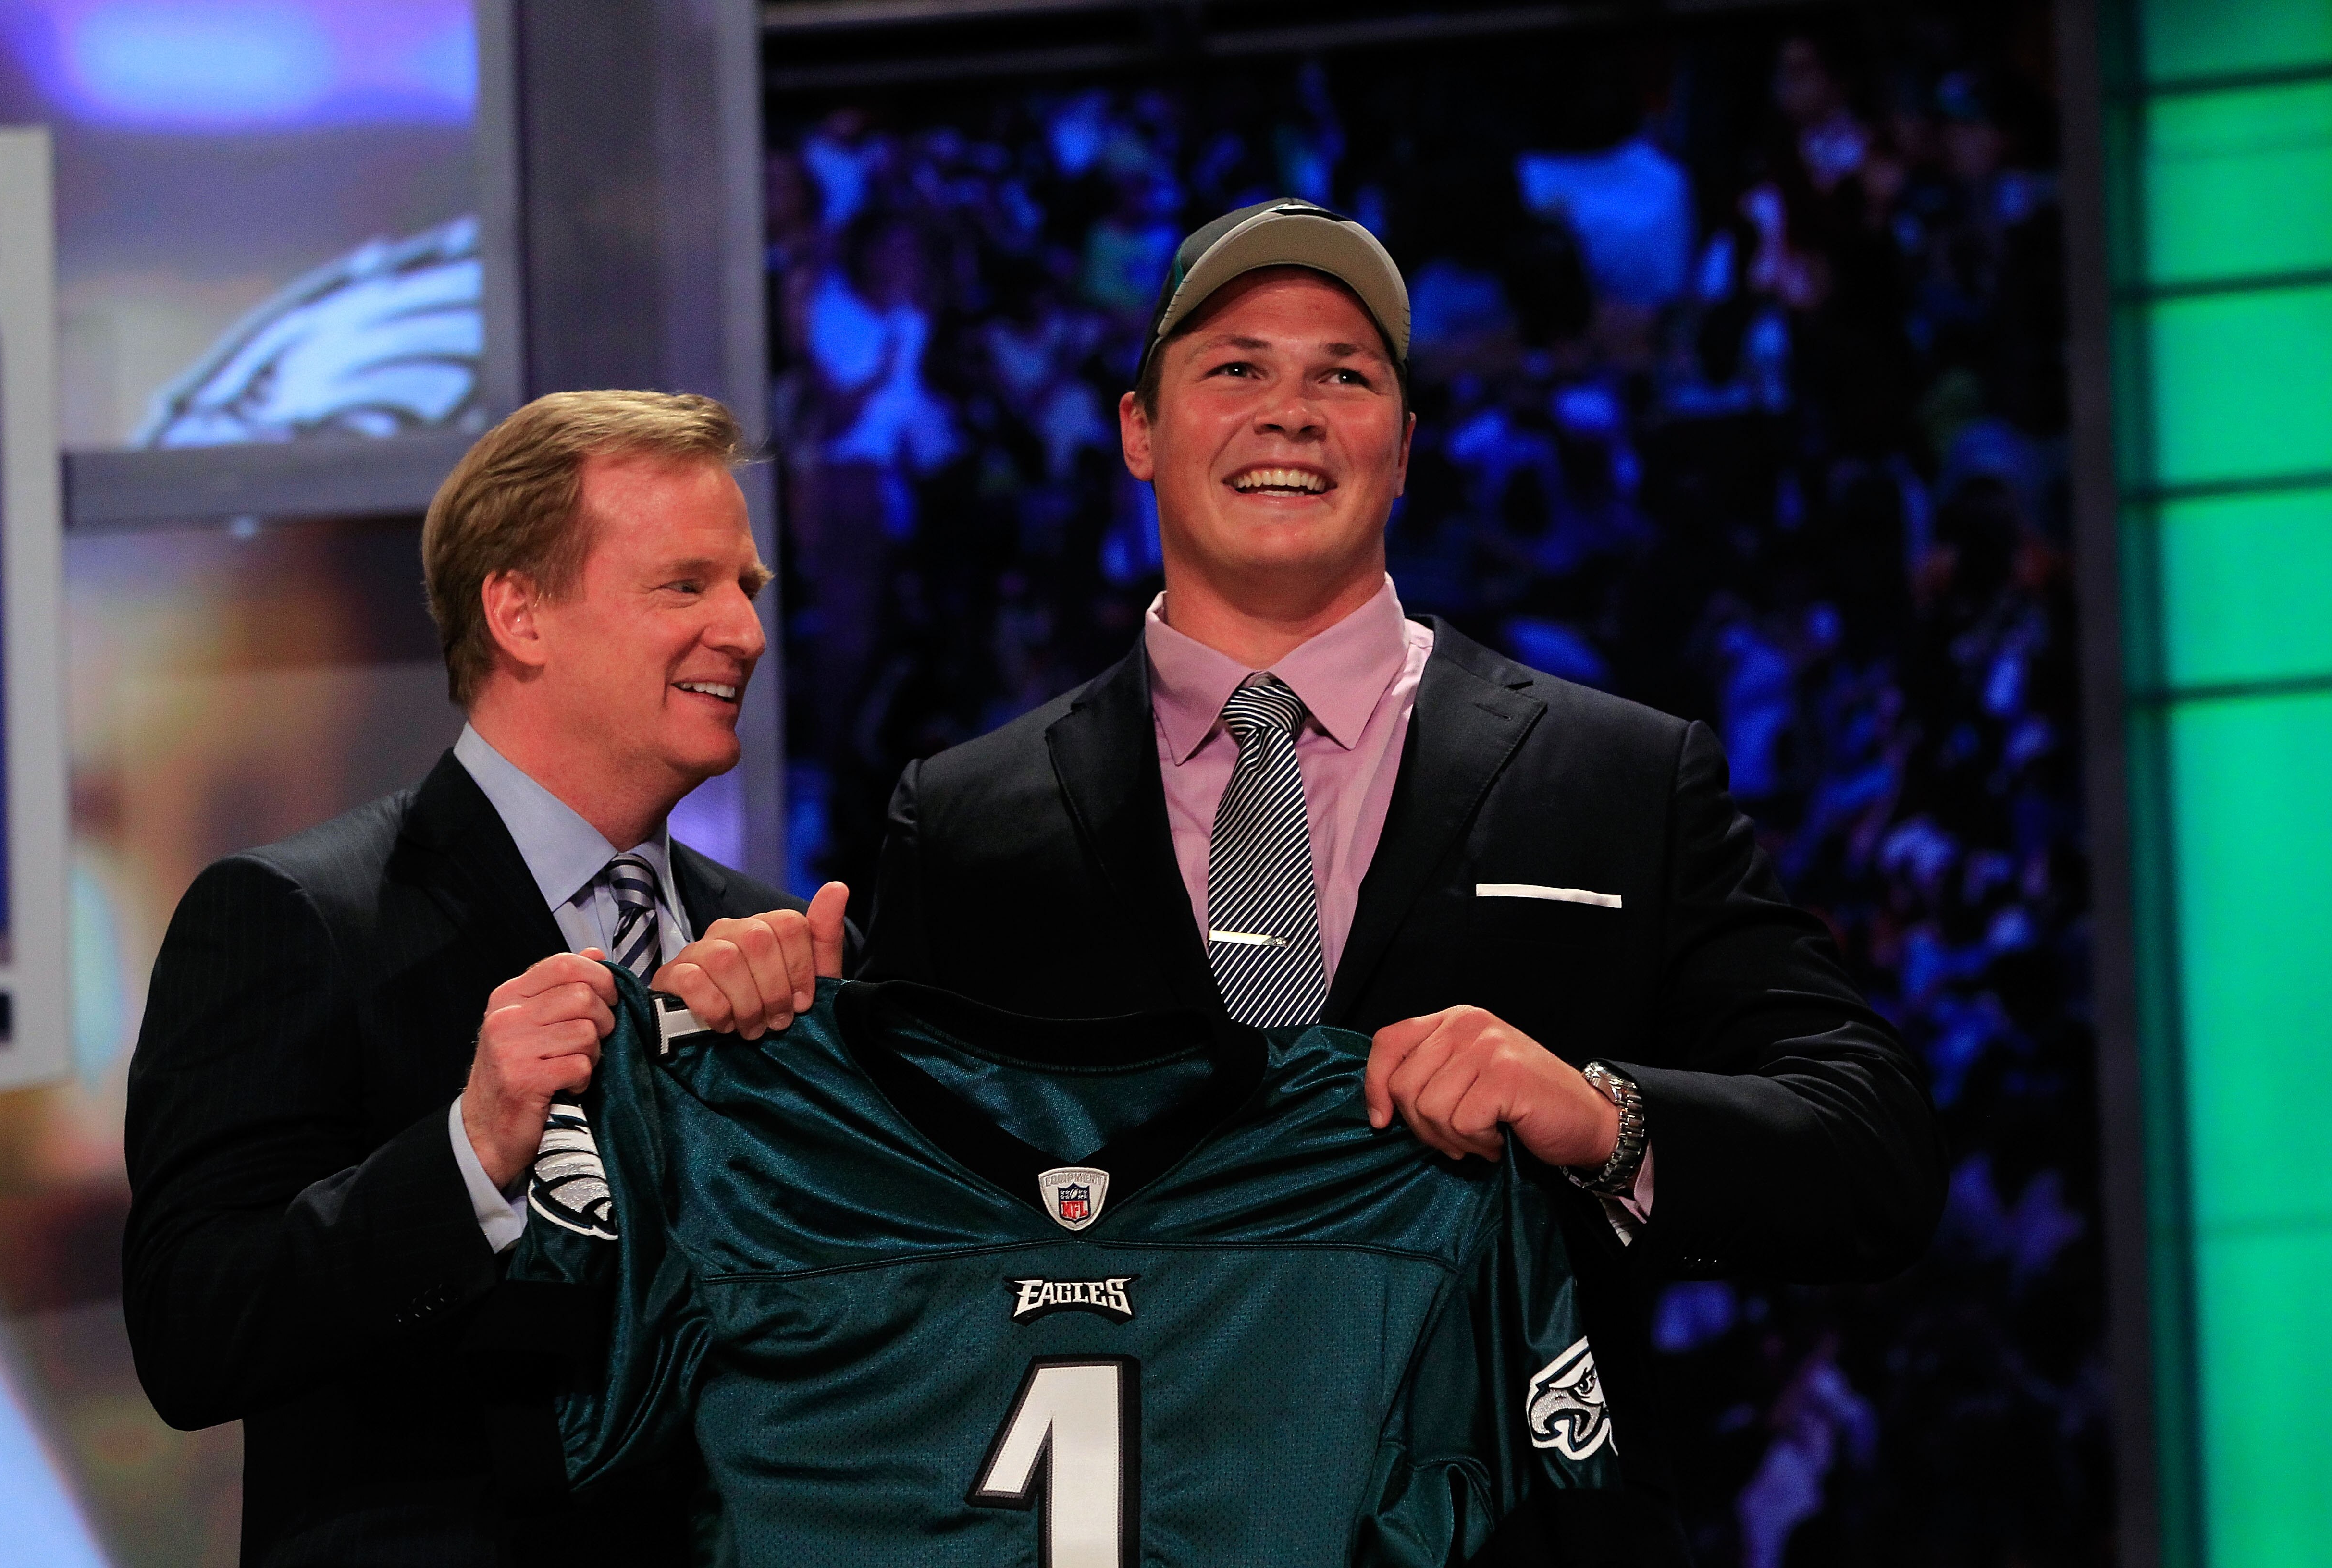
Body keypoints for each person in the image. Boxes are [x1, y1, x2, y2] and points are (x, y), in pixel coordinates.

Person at [861, 199, 1946, 1561]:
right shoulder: (966, 821)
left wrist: (1601, 1115)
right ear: (1139, 429)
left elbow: (1875, 1152)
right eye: (1237, 368)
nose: (1292, 412)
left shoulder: (1618, 777)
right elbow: (880, 1261)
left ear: (1406, 448)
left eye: (1346, 375)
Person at [123, 391, 851, 1568]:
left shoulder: (775, 943)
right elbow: (192, 1333)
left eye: (747, 590)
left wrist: (820, 1101)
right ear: (518, 612)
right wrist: (466, 1155)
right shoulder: (294, 917)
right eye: (686, 586)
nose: (746, 632)